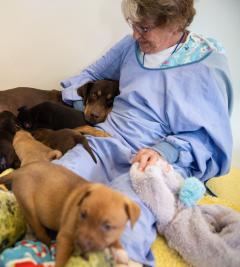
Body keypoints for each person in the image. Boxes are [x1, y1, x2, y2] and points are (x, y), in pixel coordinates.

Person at [53, 0, 233, 265]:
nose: (136, 35)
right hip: (107, 139)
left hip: (159, 160)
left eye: (145, 28)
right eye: (133, 25)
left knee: (121, 208)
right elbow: (88, 76)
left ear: (175, 24)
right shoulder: (130, 47)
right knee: (57, 179)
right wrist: (85, 108)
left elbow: (208, 139)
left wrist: (162, 152)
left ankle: (113, 260)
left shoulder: (207, 64)